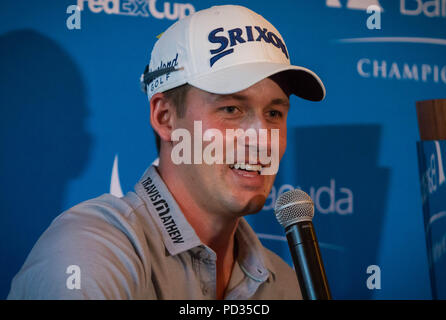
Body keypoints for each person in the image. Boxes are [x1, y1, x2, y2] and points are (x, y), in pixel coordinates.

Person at [8, 4, 325, 300]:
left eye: (274, 114)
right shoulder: (90, 246)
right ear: (165, 118)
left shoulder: (285, 284)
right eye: (231, 108)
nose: (261, 140)